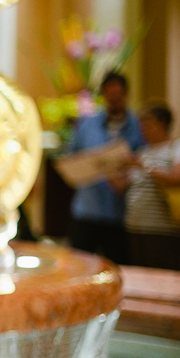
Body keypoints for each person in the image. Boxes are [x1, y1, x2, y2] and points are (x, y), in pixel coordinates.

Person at [65, 71, 144, 264]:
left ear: (126, 94)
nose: (114, 99)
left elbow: (144, 159)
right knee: (79, 264)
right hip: (87, 207)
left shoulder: (137, 126)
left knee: (116, 266)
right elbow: (71, 154)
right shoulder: (88, 124)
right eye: (110, 94)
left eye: (118, 95)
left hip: (119, 211)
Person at [121, 102, 180, 270]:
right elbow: (124, 186)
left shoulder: (179, 147)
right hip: (137, 226)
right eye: (142, 125)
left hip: (165, 229)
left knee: (165, 277)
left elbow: (179, 178)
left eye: (148, 124)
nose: (143, 129)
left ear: (162, 123)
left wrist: (145, 166)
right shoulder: (144, 151)